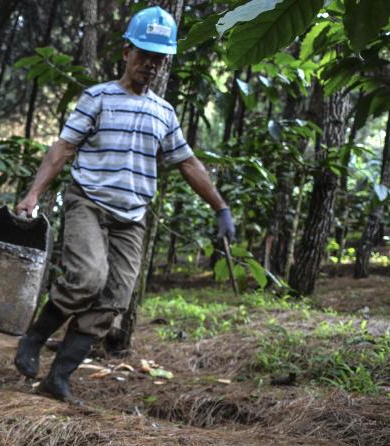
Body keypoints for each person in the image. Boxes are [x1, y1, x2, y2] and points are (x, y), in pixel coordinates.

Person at [14, 6, 235, 404]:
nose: (149, 65)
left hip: (131, 217)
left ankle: (58, 378)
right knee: (87, 278)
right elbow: (63, 148)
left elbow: (186, 162)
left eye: (158, 58)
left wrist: (220, 207)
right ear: (126, 52)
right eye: (143, 55)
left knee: (114, 298)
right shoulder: (97, 98)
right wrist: (34, 194)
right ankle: (33, 338)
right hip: (89, 203)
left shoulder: (163, 113)